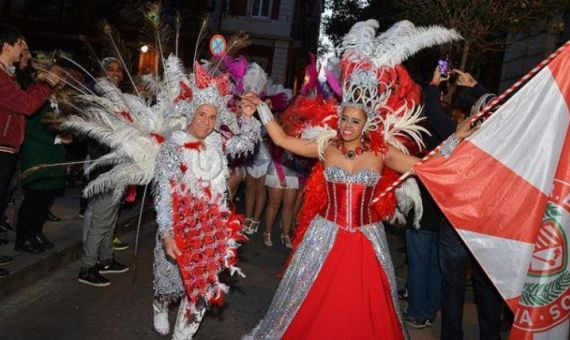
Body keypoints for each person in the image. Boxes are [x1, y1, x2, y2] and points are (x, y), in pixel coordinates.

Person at [242, 19, 469, 338]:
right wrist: (262, 109)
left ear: (367, 123)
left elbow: (423, 166)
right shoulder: (325, 145)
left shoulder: (381, 152)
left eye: (355, 121)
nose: (347, 125)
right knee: (313, 304)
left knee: (362, 308)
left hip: (365, 239)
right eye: (344, 118)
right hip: (325, 236)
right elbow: (281, 140)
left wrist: (457, 141)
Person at [152, 61, 260, 339]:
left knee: (201, 288)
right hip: (177, 224)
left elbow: (246, 143)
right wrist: (166, 234)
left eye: (212, 117)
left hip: (212, 227)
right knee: (170, 282)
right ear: (192, 112)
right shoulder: (173, 145)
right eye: (202, 114)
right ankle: (160, 305)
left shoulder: (218, 142)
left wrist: (248, 116)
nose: (206, 121)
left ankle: (182, 335)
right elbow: (163, 193)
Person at [426, 66, 504, 340]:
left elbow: (433, 114)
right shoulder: (507, 147)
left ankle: (451, 336)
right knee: (487, 287)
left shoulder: (459, 135)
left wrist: (434, 85)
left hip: (458, 222)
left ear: (474, 116)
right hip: (488, 226)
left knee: (453, 284)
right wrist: (477, 87)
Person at [0, 24, 60, 258]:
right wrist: (46, 84)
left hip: (8, 147)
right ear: (6, 45)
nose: (23, 49)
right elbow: (26, 105)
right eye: (19, 44)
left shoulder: (7, 75)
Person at [78, 57, 129, 286]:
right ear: (102, 74)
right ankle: (87, 267)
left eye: (119, 70)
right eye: (111, 70)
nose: (116, 73)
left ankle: (106, 259)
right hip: (104, 165)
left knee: (111, 216)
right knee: (101, 218)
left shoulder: (121, 99)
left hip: (121, 165)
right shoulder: (97, 100)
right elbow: (93, 135)